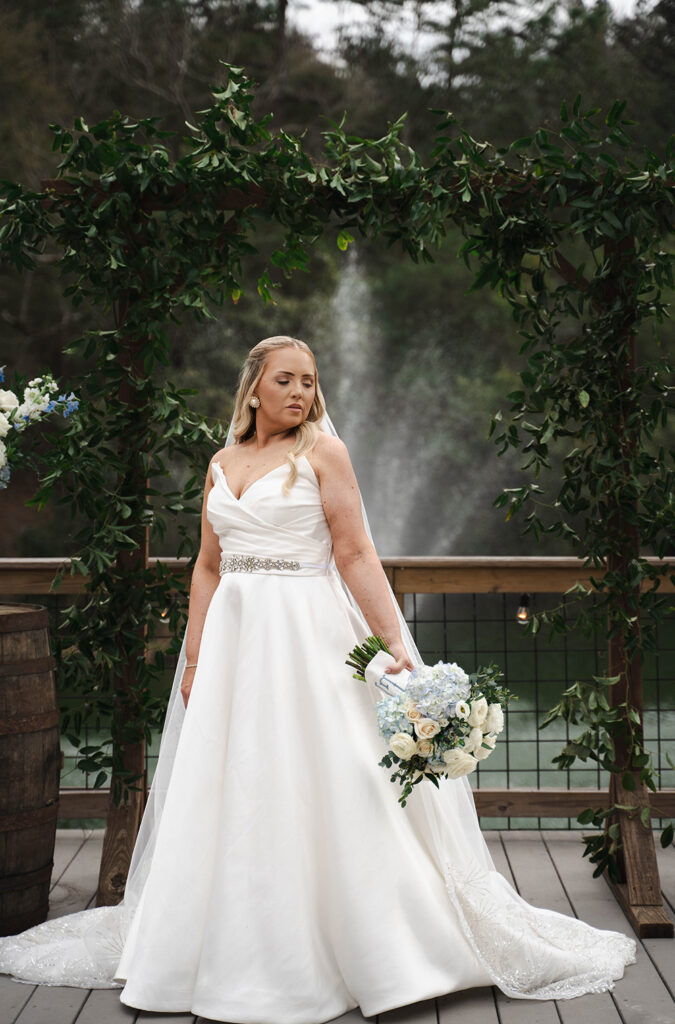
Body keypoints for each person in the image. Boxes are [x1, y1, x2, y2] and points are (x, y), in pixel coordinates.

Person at [0, 335, 637, 1020]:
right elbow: (208, 567)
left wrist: (396, 641)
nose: (300, 392)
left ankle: (367, 946)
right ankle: (217, 947)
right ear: (253, 389)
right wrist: (192, 656)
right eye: (285, 380)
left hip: (308, 634)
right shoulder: (222, 462)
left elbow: (355, 551)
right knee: (231, 780)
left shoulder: (322, 453)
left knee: (324, 776)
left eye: (308, 380)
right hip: (232, 644)